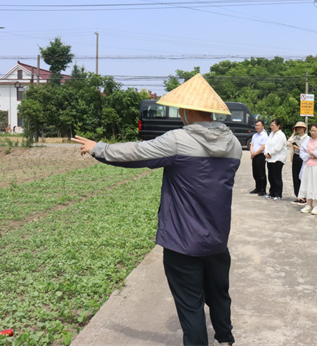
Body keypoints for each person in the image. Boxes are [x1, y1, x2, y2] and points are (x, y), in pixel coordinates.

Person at [71, 74, 240, 346]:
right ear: (211, 111)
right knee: (219, 294)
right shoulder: (232, 144)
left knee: (190, 305)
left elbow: (137, 153)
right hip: (218, 240)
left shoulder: (178, 140)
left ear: (185, 110)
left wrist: (98, 148)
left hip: (183, 243)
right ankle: (226, 339)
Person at [298, 124, 317, 215]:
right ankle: (309, 204)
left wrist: (314, 153)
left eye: (315, 131)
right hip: (308, 165)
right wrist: (308, 155)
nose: (313, 133)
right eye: (311, 131)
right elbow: (302, 152)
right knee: (308, 184)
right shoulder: (307, 141)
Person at [264, 119, 287, 200]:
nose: (272, 127)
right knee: (271, 176)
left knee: (277, 177)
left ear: (278, 126)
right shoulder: (271, 134)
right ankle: (272, 192)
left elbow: (278, 147)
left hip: (277, 159)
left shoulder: (281, 135)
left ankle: (278, 194)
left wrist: (270, 153)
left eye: (273, 125)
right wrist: (266, 153)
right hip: (269, 159)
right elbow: (267, 144)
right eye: (271, 125)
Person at [287, 121, 309, 205]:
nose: (299, 129)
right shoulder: (295, 137)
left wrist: (299, 148)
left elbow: (308, 149)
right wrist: (293, 133)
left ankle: (304, 197)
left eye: (300, 127)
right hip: (295, 157)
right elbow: (288, 142)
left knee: (302, 177)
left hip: (303, 158)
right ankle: (298, 196)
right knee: (295, 176)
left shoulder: (307, 138)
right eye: (297, 128)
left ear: (304, 128)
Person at [250, 120, 268, 196]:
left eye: (259, 125)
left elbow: (263, 147)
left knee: (261, 173)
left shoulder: (264, 135)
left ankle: (263, 189)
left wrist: (255, 153)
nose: (257, 127)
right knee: (255, 173)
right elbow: (251, 144)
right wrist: (252, 152)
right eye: (256, 125)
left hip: (261, 155)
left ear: (262, 126)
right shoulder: (254, 135)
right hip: (254, 155)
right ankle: (257, 188)